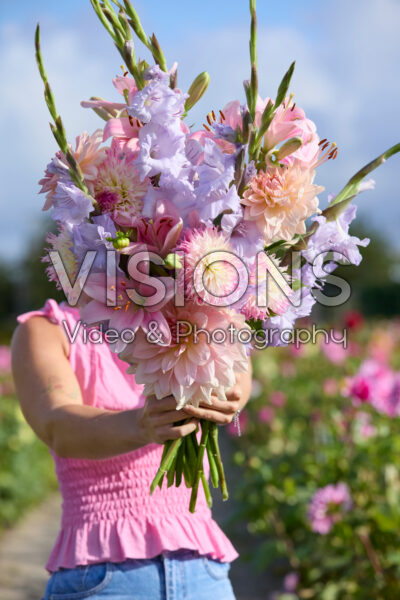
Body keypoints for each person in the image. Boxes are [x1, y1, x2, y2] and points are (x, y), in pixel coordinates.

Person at [11, 299, 252, 600]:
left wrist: (225, 390)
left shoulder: (195, 313)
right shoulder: (48, 329)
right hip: (103, 571)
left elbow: (238, 381)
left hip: (201, 567)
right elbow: (57, 425)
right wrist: (141, 426)